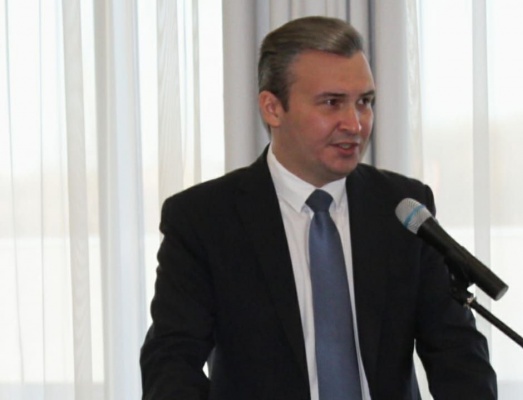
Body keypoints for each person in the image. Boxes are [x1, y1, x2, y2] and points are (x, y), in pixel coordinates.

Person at [140, 16, 497, 400]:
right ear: (272, 108)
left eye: (364, 102)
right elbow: (172, 361)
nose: (355, 124)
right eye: (332, 103)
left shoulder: (402, 209)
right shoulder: (204, 220)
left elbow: (457, 354)